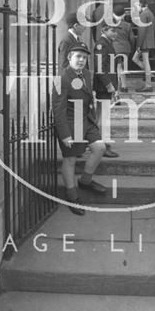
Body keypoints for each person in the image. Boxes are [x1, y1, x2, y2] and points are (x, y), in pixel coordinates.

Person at [52, 42, 107, 216]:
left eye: (84, 57)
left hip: (86, 120)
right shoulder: (61, 79)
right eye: (78, 56)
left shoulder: (86, 74)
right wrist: (65, 135)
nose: (81, 60)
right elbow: (58, 109)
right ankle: (72, 195)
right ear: (69, 57)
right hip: (70, 124)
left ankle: (85, 180)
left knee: (100, 148)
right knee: (70, 160)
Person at [94, 23, 120, 158]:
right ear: (104, 30)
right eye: (113, 31)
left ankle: (100, 144)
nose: (115, 34)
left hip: (107, 86)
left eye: (116, 31)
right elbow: (100, 68)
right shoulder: (101, 45)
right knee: (102, 119)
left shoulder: (107, 43)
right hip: (103, 87)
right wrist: (109, 85)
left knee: (103, 117)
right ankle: (101, 146)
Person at [133, 0, 155, 92]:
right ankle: (150, 76)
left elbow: (141, 31)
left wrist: (138, 45)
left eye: (136, 7)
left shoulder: (143, 14)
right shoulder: (150, 13)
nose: (136, 9)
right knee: (135, 59)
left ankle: (148, 85)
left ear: (140, 5)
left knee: (146, 62)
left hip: (144, 42)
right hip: (148, 41)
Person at [112, 4, 135, 93]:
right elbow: (132, 39)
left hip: (115, 49)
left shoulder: (111, 25)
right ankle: (124, 86)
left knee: (118, 67)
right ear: (124, 14)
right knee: (121, 67)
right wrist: (131, 47)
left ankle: (119, 87)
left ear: (113, 14)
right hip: (126, 49)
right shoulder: (128, 25)